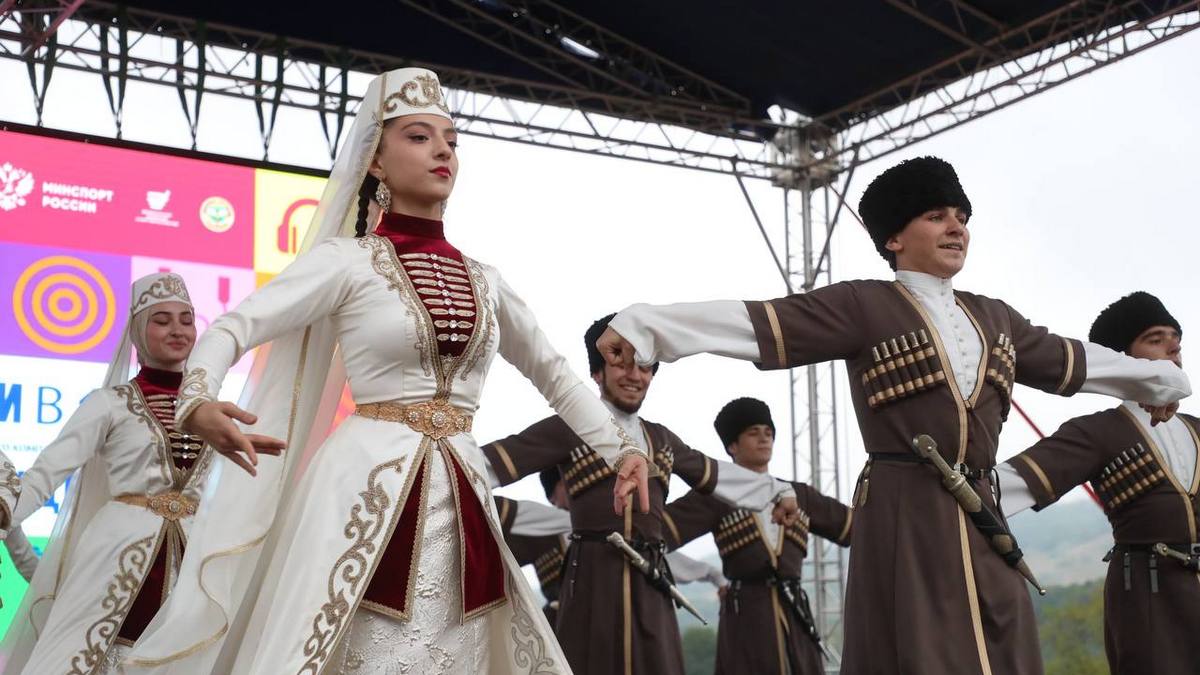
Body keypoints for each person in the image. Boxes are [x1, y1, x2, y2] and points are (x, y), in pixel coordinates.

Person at [122, 67, 650, 675]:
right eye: (419, 137)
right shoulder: (347, 262)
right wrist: (196, 400)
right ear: (375, 160)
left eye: (451, 141)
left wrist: (622, 449)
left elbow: (554, 374)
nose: (442, 151)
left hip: (462, 494)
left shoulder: (486, 280)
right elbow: (233, 327)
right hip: (362, 491)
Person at [596, 156, 1191, 674]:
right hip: (904, 511)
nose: (956, 227)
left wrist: (1162, 379)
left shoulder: (997, 317)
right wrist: (647, 324)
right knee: (920, 649)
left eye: (962, 216)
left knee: (1004, 640)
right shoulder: (864, 304)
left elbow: (1075, 361)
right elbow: (757, 323)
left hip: (983, 516)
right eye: (936, 215)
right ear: (894, 239)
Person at [481, 314, 799, 675]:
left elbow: (715, 473)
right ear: (597, 372)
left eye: (645, 367)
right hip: (592, 582)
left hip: (652, 584)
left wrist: (778, 491)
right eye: (622, 364)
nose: (635, 375)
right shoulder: (570, 428)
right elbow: (489, 464)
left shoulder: (662, 440)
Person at [0, 273, 211, 674]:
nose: (178, 330)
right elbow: (47, 473)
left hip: (191, 555)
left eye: (186, 320)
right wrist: (6, 510)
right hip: (118, 555)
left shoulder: (209, 409)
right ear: (137, 331)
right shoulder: (109, 404)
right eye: (162, 320)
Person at [999, 292, 1198, 674]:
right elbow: (1002, 489)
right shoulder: (1096, 432)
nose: (1173, 347)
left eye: (1176, 338)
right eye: (1155, 339)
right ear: (1121, 360)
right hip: (1147, 600)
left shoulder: (1197, 430)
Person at [664, 397, 851, 674]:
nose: (764, 439)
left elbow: (856, 528)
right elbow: (653, 533)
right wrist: (707, 573)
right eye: (753, 433)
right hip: (746, 618)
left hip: (796, 617)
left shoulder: (800, 495)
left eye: (768, 433)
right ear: (733, 446)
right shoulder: (714, 497)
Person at [495, 468, 724, 626]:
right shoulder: (539, 529)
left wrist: (713, 574)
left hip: (610, 622)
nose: (577, 487)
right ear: (553, 495)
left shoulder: (611, 528)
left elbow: (656, 559)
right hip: (560, 629)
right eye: (566, 482)